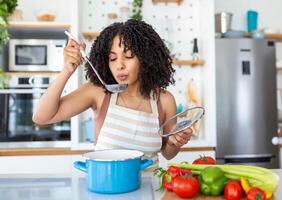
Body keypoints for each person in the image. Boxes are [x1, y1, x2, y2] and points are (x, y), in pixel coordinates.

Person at [32, 19, 193, 162]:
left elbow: (168, 153)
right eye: (113, 58)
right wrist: (66, 70)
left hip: (149, 190)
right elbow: (41, 117)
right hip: (107, 188)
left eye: (129, 56)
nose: (119, 65)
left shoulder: (164, 100)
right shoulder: (98, 92)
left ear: (146, 58)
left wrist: (173, 142)